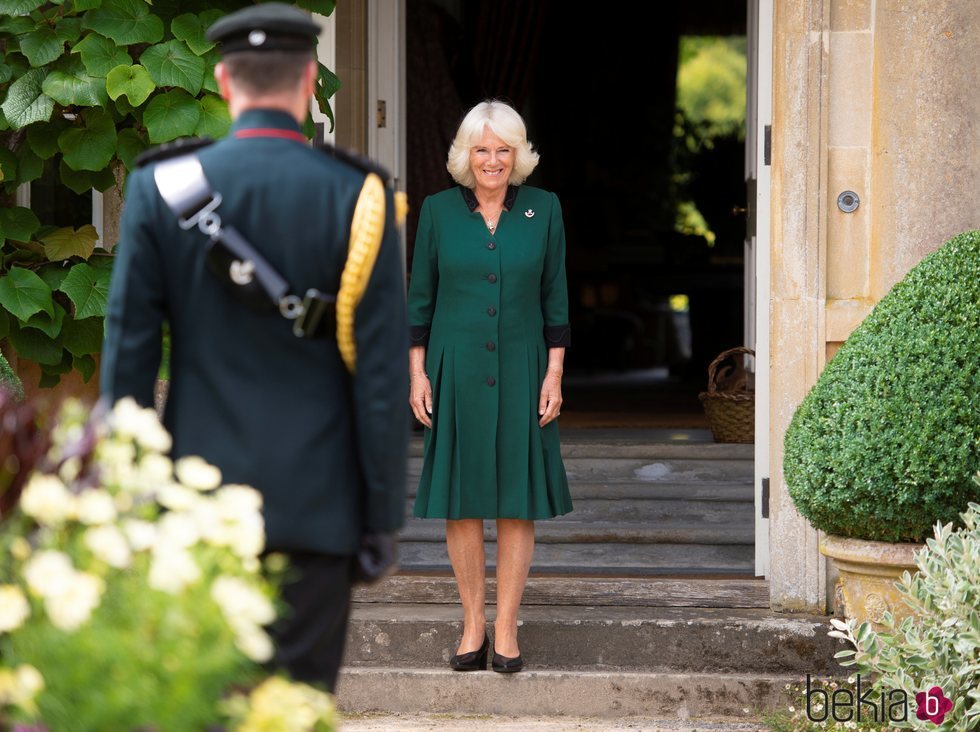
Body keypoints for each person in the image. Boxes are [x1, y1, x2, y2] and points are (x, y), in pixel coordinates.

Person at [100, 3, 408, 692]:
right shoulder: (362, 194)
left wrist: (127, 507)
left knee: (204, 704)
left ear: (220, 82)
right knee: (296, 705)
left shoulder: (157, 190)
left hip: (195, 507)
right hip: (319, 508)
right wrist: (382, 514)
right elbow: (381, 376)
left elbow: (126, 369)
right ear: (308, 81)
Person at [408, 100, 573, 673]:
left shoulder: (544, 210)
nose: (493, 159)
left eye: (504, 149)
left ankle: (506, 626)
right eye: (482, 148)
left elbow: (556, 299)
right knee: (462, 499)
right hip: (454, 368)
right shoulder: (436, 212)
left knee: (516, 499)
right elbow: (419, 301)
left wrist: (554, 373)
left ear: (519, 154)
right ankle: (472, 622)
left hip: (525, 366)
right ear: (465, 155)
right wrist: (417, 372)